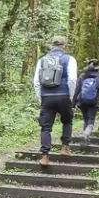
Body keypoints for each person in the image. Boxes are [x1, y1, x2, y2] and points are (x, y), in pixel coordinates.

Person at [33, 36, 78, 166]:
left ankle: (45, 156)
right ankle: (64, 147)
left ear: (51, 45)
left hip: (47, 97)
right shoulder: (69, 59)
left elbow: (36, 82)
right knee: (67, 121)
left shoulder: (42, 60)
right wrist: (70, 97)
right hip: (64, 95)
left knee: (46, 127)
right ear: (64, 46)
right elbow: (72, 80)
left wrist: (41, 98)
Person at [73, 59, 99, 143]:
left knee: (86, 119)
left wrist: (73, 104)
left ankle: (86, 139)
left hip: (82, 101)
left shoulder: (82, 76)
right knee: (90, 121)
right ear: (97, 68)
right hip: (93, 102)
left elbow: (77, 90)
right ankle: (86, 134)